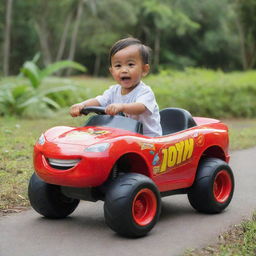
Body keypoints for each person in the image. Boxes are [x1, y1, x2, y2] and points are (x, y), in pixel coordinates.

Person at [70, 37, 162, 137]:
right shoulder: (113, 91)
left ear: (144, 70)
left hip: (147, 140)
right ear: (112, 71)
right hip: (124, 136)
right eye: (118, 66)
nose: (124, 70)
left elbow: (140, 107)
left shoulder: (144, 92)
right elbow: (99, 101)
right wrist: (82, 105)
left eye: (130, 64)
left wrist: (121, 107)